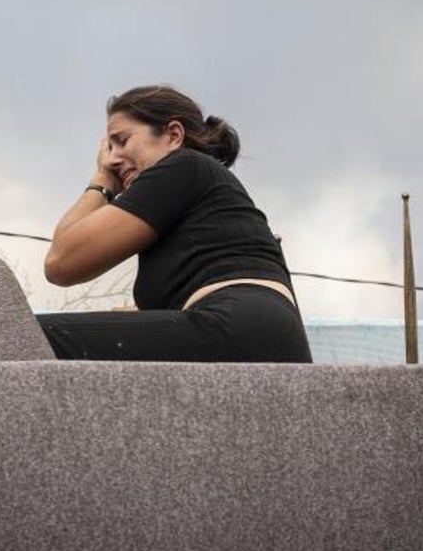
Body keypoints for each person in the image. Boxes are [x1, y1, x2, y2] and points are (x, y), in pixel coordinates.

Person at [38, 85, 312, 363]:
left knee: (26, 335)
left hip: (234, 325)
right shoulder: (204, 196)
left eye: (121, 140)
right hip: (270, 336)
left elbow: (61, 262)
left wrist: (102, 181)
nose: (112, 159)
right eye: (110, 148)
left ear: (173, 135)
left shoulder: (183, 166)